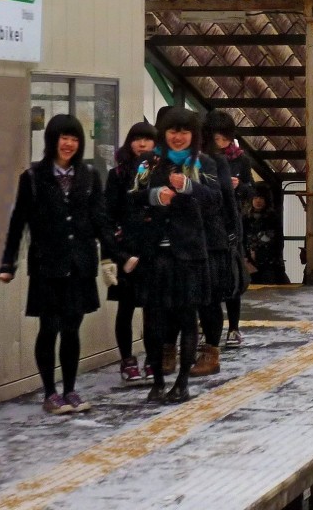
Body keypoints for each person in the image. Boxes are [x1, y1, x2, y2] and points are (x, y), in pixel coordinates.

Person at [0, 114, 120, 415]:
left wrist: (114, 254)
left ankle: (70, 390)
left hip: (80, 264)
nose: (69, 144)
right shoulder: (32, 178)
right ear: (52, 140)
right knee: (49, 327)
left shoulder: (90, 176)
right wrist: (8, 262)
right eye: (64, 137)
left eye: (74, 138)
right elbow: (18, 222)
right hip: (46, 265)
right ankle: (50, 393)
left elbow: (100, 219)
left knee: (71, 328)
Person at [134, 107, 218, 404]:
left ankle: (182, 382)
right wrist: (155, 196)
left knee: (187, 318)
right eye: (173, 131)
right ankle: (157, 380)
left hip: (189, 254)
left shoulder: (202, 163)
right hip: (154, 253)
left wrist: (190, 188)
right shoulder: (150, 162)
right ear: (164, 133)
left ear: (194, 135)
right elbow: (131, 198)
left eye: (184, 132)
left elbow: (216, 200)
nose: (178, 137)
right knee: (153, 320)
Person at [103, 121, 157, 383]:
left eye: (147, 139)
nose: (142, 144)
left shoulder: (161, 171)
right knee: (125, 308)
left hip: (154, 249)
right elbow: (108, 214)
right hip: (127, 250)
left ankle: (153, 358)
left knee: (153, 309)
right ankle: (127, 360)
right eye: (137, 139)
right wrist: (114, 252)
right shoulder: (117, 174)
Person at [202, 110, 250, 347]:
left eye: (225, 138)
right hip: (207, 226)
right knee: (208, 281)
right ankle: (208, 330)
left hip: (230, 224)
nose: (221, 143)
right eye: (216, 138)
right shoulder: (200, 159)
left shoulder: (240, 159)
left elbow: (251, 189)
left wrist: (239, 185)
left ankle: (233, 327)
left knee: (232, 277)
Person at [244, 183, 287, 284]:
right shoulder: (245, 219)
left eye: (261, 198)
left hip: (269, 264)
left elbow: (278, 241)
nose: (258, 201)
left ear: (266, 200)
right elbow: (242, 240)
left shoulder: (273, 218)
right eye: (255, 198)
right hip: (250, 264)